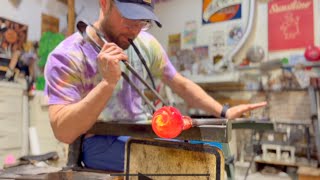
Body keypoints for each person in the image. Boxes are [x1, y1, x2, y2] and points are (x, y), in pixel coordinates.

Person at [45, 0, 266, 172]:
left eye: (143, 21)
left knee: (216, 150)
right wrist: (107, 83)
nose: (135, 30)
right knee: (191, 162)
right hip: (100, 141)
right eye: (130, 19)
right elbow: (63, 131)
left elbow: (179, 83)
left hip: (143, 132)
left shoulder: (145, 42)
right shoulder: (68, 56)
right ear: (104, 3)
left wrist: (224, 111)